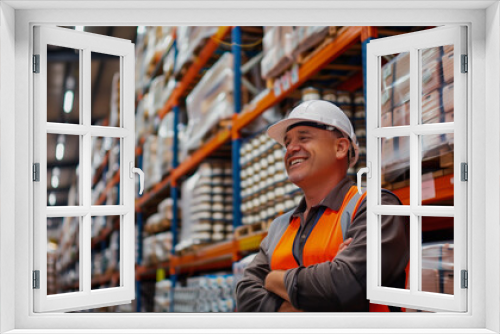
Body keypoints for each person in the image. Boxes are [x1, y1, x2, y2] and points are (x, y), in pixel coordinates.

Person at [235, 100, 409, 312]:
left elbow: (343, 286)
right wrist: (296, 308)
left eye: (304, 137)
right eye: (287, 142)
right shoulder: (279, 227)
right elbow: (245, 294)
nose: (291, 148)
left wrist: (272, 279)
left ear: (340, 147)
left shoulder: (377, 208)